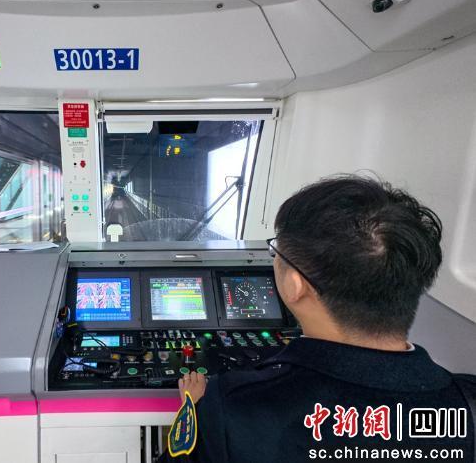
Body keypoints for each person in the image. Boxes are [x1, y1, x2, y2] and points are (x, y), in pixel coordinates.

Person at [161, 175, 474, 462]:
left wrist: (194, 409)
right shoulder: (469, 403)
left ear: (294, 285)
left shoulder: (231, 408)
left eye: (277, 253)